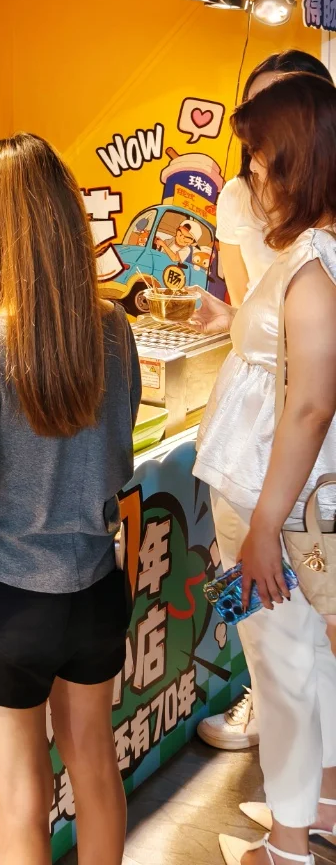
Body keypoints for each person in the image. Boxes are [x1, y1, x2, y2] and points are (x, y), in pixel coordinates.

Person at [0, 134, 141, 865]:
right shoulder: (113, 327)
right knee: (96, 767)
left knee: (21, 798)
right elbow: (118, 459)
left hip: (10, 604)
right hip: (95, 591)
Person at [189, 75, 336, 865]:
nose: (251, 181)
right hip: (287, 502)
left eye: (259, 164)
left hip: (270, 504)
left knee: (280, 668)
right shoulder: (313, 255)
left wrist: (264, 530)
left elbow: (309, 407)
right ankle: (320, 804)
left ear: (299, 165)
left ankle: (285, 846)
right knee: (306, 658)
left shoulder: (312, 269)